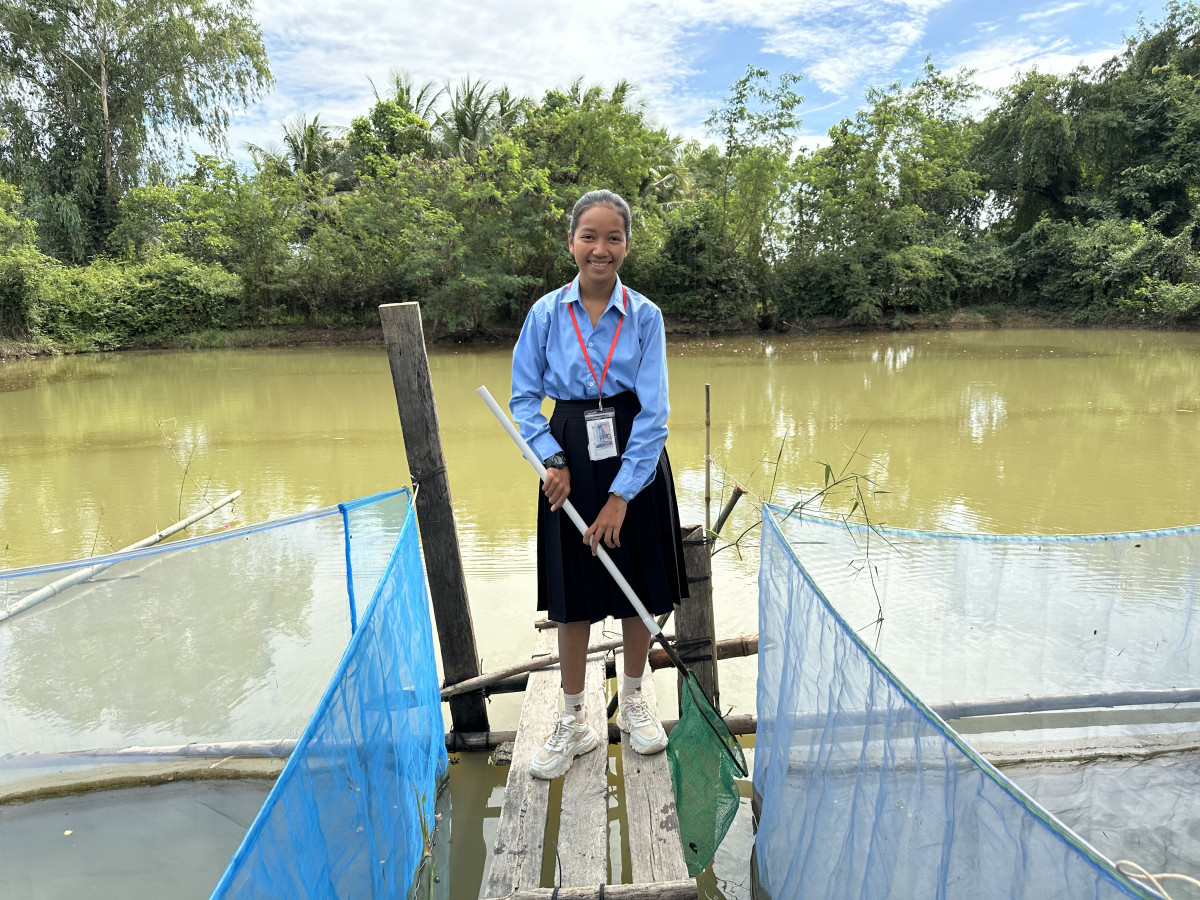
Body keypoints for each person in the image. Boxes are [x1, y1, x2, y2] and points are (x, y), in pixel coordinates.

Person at [510, 189, 689, 780]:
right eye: (590, 235)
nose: (601, 248)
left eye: (613, 237)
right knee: (574, 593)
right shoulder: (544, 314)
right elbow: (522, 400)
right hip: (568, 458)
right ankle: (573, 718)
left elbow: (656, 415)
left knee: (638, 585)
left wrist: (621, 496)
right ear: (571, 242)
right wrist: (551, 459)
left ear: (627, 246)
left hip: (634, 452)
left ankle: (635, 701)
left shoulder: (645, 317)